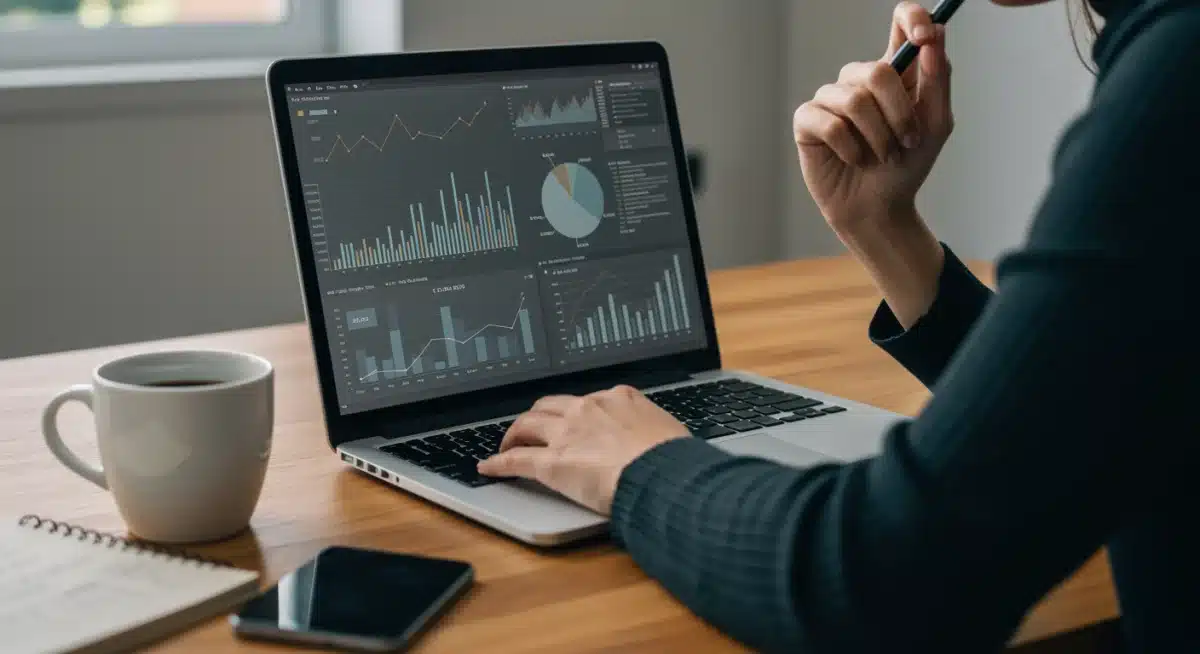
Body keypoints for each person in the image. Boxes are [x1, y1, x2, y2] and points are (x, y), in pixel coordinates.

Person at [478, 0, 1200, 650]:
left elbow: (891, 582)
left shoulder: (1176, 81)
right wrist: (883, 228)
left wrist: (640, 469)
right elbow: (1085, 414)